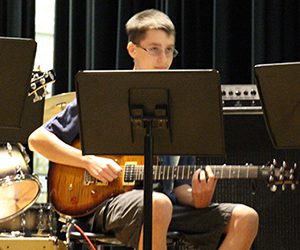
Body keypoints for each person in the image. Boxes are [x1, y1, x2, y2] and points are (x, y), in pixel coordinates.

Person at [28, 9, 259, 250]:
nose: (164, 58)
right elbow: (37, 139)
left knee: (245, 218)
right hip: (104, 203)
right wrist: (87, 161)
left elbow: (179, 188)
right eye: (155, 49)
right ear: (132, 50)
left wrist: (198, 197)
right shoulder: (104, 95)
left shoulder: (182, 107)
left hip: (163, 206)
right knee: (157, 204)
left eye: (169, 49)